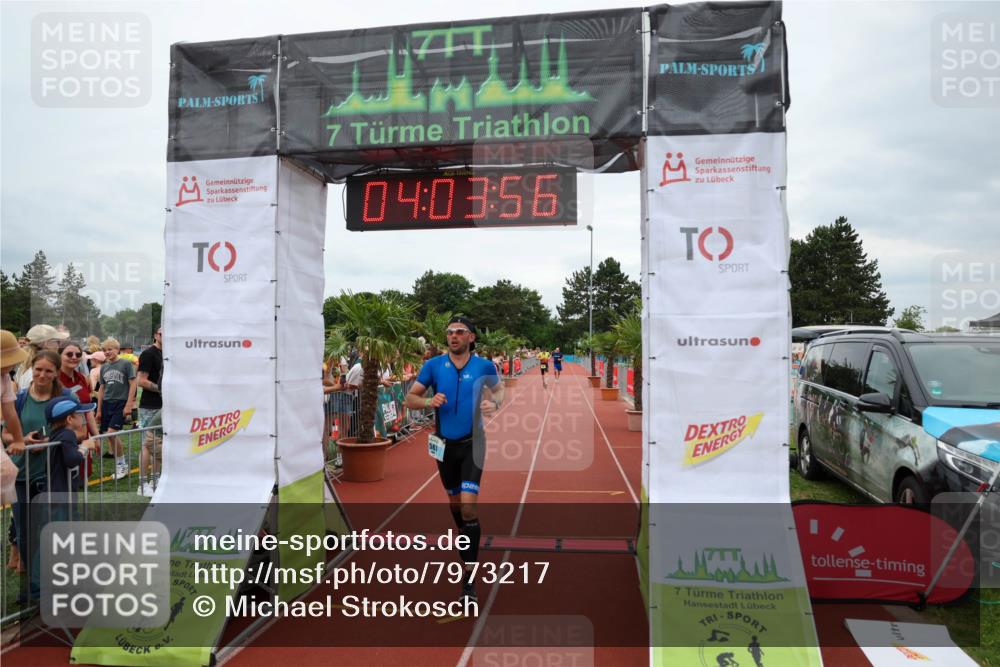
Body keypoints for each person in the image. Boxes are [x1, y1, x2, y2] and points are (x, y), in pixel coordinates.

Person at [405, 316, 503, 603]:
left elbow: (499, 390)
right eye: (450, 332)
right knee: (456, 505)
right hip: (445, 447)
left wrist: (494, 402)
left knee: (469, 508)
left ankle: (469, 580)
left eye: (460, 332)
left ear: (471, 337)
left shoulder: (484, 365)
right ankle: (466, 533)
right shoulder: (433, 366)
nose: (454, 336)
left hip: (474, 444)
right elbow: (410, 398)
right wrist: (427, 402)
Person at [5, 350, 68, 579]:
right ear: (32, 368)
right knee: (23, 532)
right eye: (38, 369)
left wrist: (50, 441)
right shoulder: (19, 398)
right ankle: (34, 582)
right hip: (21, 474)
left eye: (48, 371)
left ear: (57, 373)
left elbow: (79, 431)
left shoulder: (65, 397)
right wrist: (24, 440)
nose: (42, 375)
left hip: (52, 475)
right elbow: (6, 435)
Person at [96, 338, 135, 481]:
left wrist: (129, 404)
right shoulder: (104, 367)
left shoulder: (125, 364)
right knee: (108, 435)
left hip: (120, 403)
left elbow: (133, 384)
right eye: (105, 350)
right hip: (106, 404)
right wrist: (99, 410)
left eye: (110, 349)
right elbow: (101, 388)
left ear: (117, 349)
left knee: (112, 433)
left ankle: (122, 465)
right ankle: (121, 464)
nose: (107, 352)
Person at [136, 327, 163, 496]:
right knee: (147, 445)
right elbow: (141, 380)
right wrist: (162, 389)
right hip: (149, 406)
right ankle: (142, 484)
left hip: (164, 405)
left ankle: (156, 480)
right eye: (161, 333)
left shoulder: (168, 354)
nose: (165, 335)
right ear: (155, 335)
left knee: (158, 445)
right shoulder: (148, 354)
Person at [16, 324, 69, 389]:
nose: (59, 345)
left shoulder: (24, 367)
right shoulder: (41, 374)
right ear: (47, 344)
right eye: (57, 342)